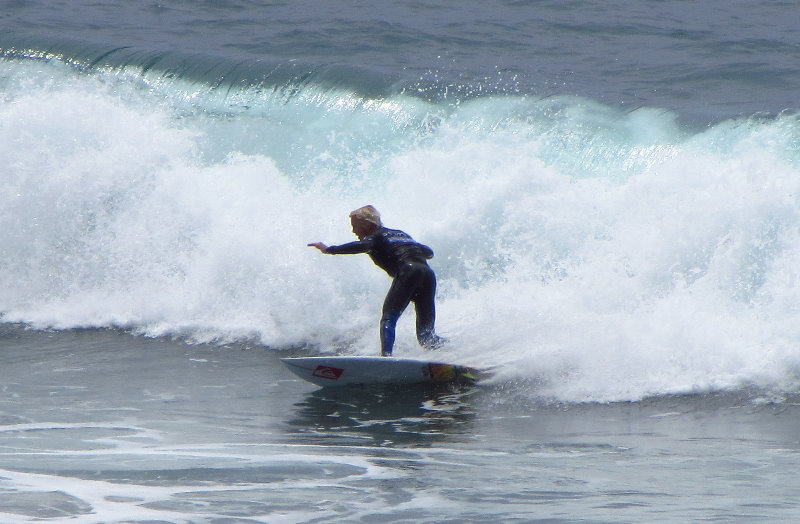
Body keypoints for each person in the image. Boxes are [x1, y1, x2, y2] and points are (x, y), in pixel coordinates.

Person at [308, 205, 446, 356]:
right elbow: (429, 252)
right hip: (428, 276)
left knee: (389, 317)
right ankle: (456, 350)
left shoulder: (375, 237)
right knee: (426, 337)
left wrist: (329, 249)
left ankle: (386, 357)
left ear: (368, 225)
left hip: (408, 272)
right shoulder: (400, 234)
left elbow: (362, 246)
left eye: (355, 226)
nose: (353, 231)